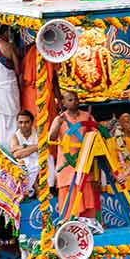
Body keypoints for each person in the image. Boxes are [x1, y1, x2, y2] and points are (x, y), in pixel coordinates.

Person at [48, 90, 100, 219]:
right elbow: (51, 138)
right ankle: (68, 222)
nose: (75, 102)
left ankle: (89, 222)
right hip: (66, 163)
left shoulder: (87, 116)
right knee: (68, 192)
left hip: (84, 161)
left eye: (76, 99)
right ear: (64, 103)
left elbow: (96, 136)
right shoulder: (59, 119)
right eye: (70, 100)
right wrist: (59, 124)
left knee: (85, 189)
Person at [10, 111, 41, 197]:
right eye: (21, 122)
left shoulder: (38, 133)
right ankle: (32, 189)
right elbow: (16, 155)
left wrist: (22, 148)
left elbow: (43, 148)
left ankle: (40, 188)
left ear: (32, 122)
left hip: (38, 158)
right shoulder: (15, 136)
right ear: (17, 123)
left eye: (27, 122)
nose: (23, 125)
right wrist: (34, 147)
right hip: (24, 161)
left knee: (48, 159)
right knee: (27, 162)